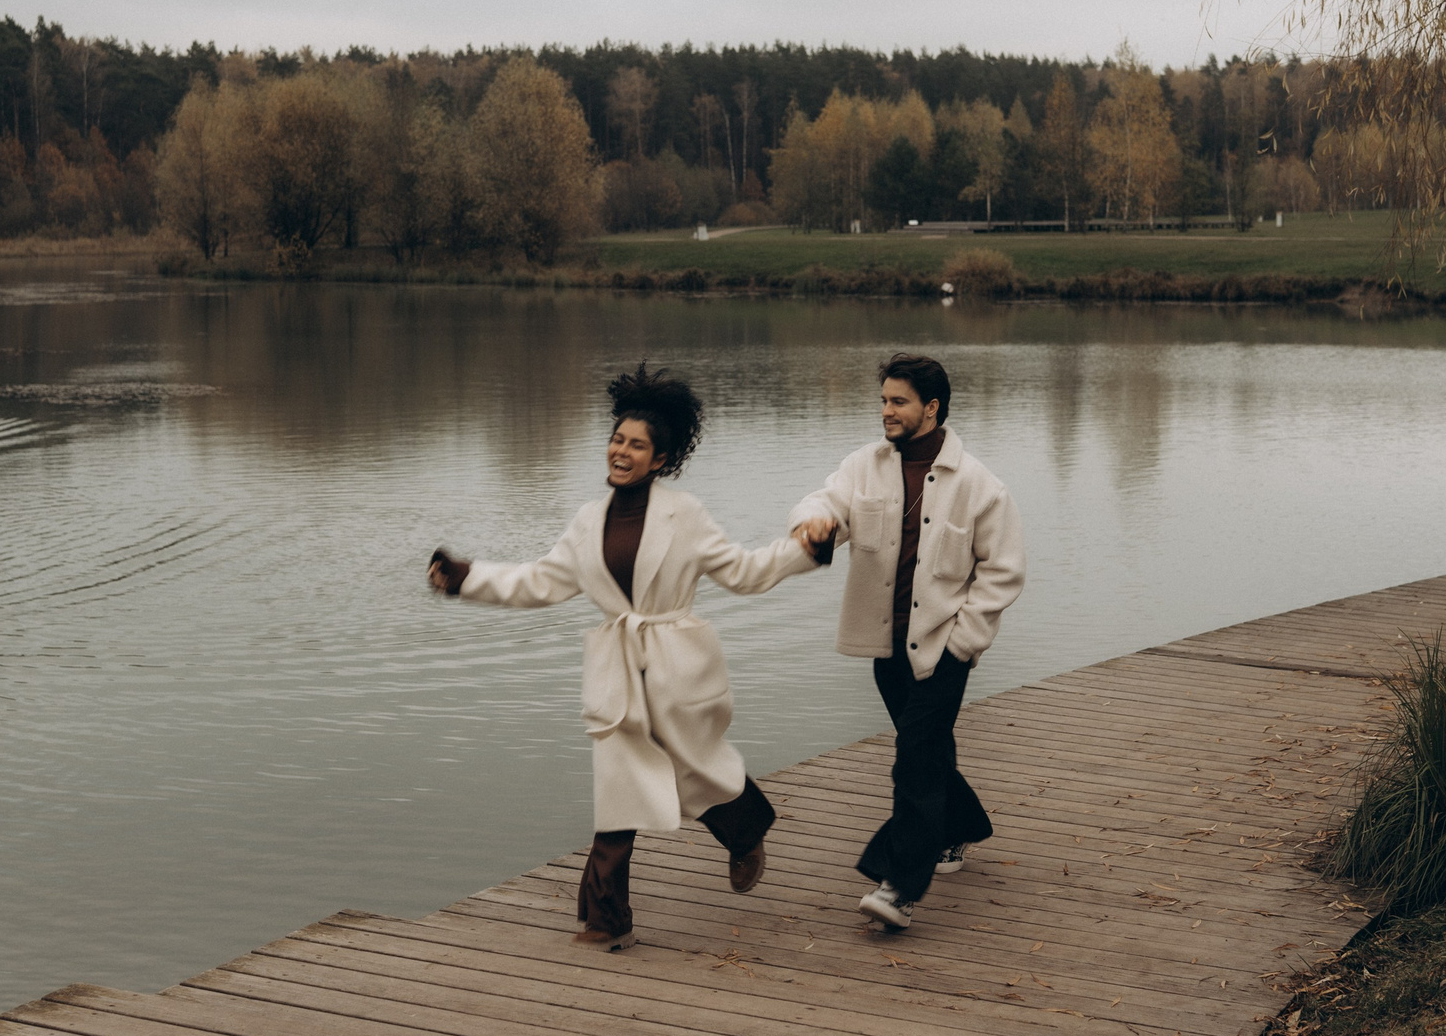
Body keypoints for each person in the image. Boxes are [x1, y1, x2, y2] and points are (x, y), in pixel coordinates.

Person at [427, 365, 815, 951]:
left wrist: (804, 549)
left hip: (676, 666)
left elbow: (742, 571)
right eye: (616, 440)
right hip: (616, 675)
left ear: (660, 459)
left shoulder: (685, 515)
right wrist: (466, 578)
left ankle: (747, 828)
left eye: (636, 445)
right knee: (617, 792)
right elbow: (540, 582)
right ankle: (607, 920)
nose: (621, 451)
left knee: (697, 777)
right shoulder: (588, 521)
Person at [792, 353, 1024, 931]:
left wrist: (964, 641)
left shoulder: (979, 487)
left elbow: (1004, 571)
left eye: (898, 401)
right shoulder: (863, 466)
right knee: (926, 749)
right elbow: (827, 502)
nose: (886, 411)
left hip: (945, 647)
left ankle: (898, 884)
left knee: (913, 761)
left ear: (932, 408)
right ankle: (962, 825)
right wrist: (813, 522)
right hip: (885, 647)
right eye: (883, 400)